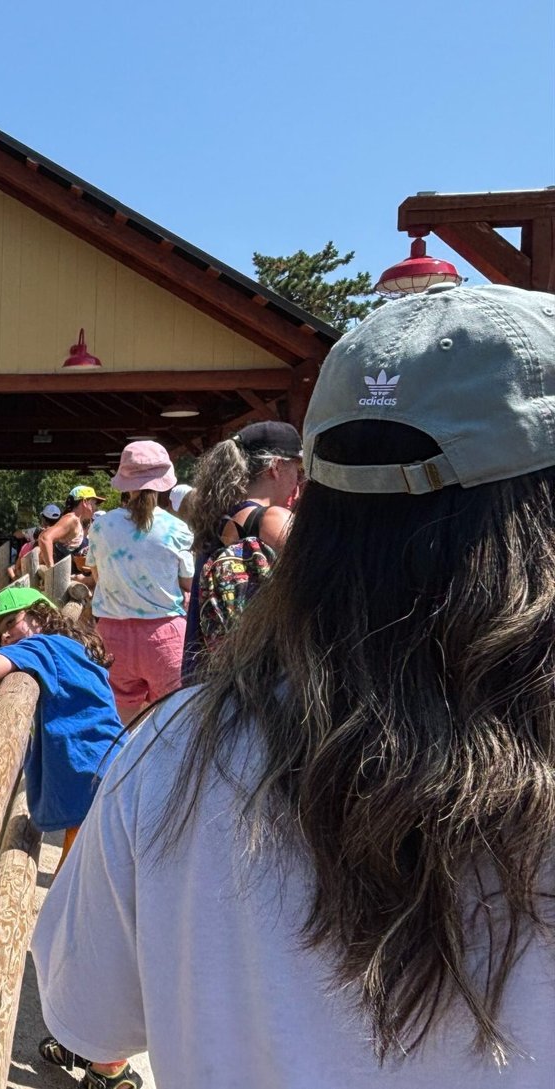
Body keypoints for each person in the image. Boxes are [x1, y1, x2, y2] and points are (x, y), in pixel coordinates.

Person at [32, 283, 555, 1087]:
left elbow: (85, 1009)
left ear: (312, 497)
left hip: (135, 664)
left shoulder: (175, 754)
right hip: (165, 644)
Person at [0, 586, 141, 1089]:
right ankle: (80, 1035)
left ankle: (109, 1065)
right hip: (106, 788)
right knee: (75, 923)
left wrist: (8, 655)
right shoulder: (73, 646)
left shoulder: (42, 647)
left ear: (39, 616)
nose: (5, 638)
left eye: (10, 624)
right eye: (0, 633)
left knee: (83, 927)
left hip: (95, 796)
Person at [179, 420, 302, 677]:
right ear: (276, 467)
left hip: (209, 668)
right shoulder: (272, 520)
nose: (298, 480)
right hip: (260, 671)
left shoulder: (217, 519)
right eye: (298, 469)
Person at [83, 443, 191, 723]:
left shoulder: (101, 526)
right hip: (165, 634)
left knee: (120, 728)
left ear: (125, 482)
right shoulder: (177, 528)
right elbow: (188, 583)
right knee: (171, 724)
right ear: (164, 481)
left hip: (111, 634)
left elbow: (97, 576)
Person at [37, 487, 100, 571]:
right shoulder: (71, 519)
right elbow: (44, 538)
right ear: (84, 502)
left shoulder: (78, 521)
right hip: (62, 580)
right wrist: (52, 571)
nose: (96, 508)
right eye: (94, 503)